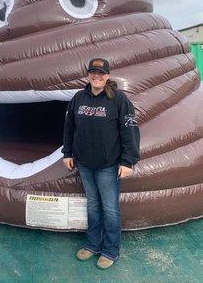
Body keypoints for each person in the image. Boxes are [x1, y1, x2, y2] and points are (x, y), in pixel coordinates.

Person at [62, 57, 140, 269]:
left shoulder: (119, 99)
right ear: (88, 74)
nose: (97, 76)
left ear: (107, 76)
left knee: (110, 209)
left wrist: (128, 161)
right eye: (93, 72)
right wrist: (67, 153)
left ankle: (110, 250)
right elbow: (69, 128)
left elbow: (130, 130)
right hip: (84, 164)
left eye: (101, 73)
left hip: (108, 165)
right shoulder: (78, 98)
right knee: (93, 206)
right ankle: (93, 245)